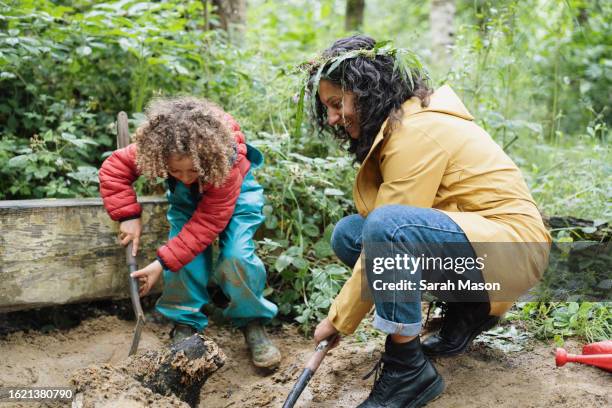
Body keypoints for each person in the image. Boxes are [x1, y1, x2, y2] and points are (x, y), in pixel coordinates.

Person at [306, 35, 550, 407]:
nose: (332, 117)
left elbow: (390, 231)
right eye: (328, 107)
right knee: (350, 235)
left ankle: (407, 369)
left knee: (387, 228)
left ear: (368, 91)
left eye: (337, 103)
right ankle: (469, 310)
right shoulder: (403, 124)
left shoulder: (416, 131)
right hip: (481, 247)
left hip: (512, 249)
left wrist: (338, 320)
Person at [98, 97, 281, 369]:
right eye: (175, 171)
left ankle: (252, 322)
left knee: (237, 257)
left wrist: (160, 263)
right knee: (185, 260)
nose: (184, 177)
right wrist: (128, 215)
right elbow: (114, 170)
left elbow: (206, 224)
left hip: (234, 195)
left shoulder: (223, 159)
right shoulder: (164, 146)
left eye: (192, 170)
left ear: (205, 159)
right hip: (190, 201)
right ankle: (185, 321)